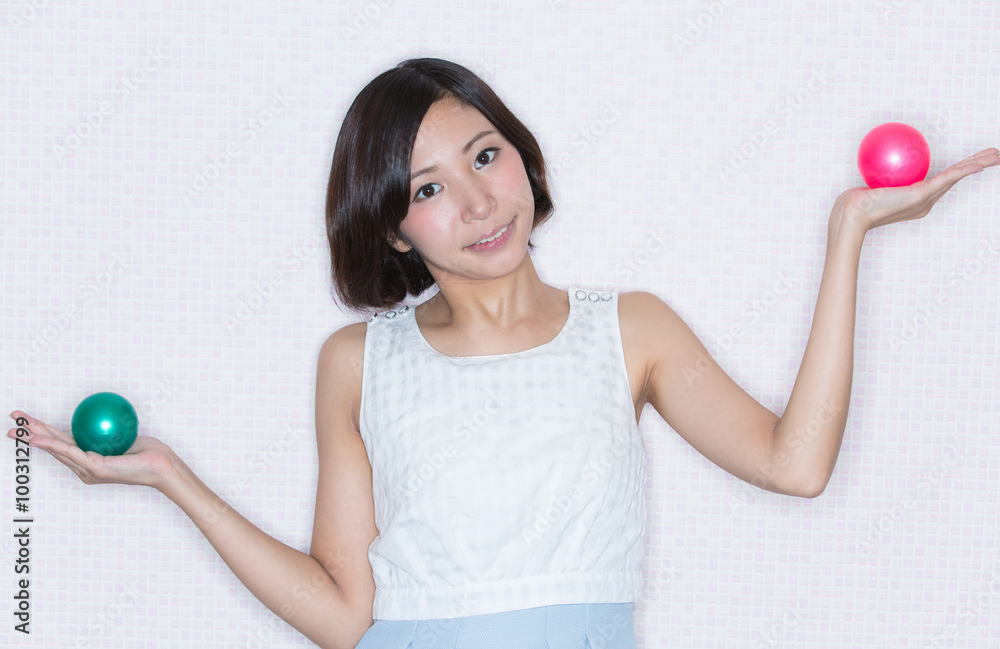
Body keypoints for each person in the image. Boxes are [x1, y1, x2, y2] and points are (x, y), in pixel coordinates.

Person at [6, 57, 998, 649]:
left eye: (486, 155)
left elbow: (796, 463)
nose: (479, 202)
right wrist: (171, 476)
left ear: (520, 154)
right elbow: (345, 617)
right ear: (393, 228)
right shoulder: (356, 361)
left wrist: (848, 234)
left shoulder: (632, 327)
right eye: (429, 188)